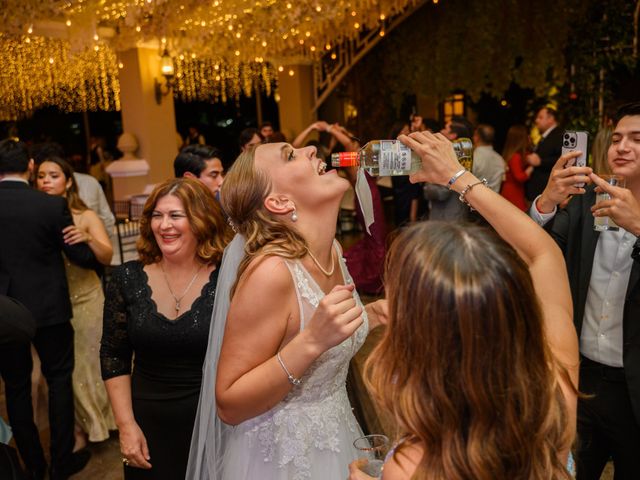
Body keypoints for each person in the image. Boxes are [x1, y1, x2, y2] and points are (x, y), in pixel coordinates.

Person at [349, 131, 579, 479]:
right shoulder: (556, 389)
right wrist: (456, 175)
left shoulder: (414, 463)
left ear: (424, 330)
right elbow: (542, 251)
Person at [187, 142, 386, 479]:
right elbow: (229, 403)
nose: (310, 148)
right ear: (279, 202)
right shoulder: (271, 273)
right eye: (290, 155)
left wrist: (379, 312)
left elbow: (329, 328)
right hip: (284, 460)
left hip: (340, 437)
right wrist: (310, 343)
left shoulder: (334, 252)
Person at [529, 102, 640, 479]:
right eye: (618, 138)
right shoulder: (586, 202)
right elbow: (535, 254)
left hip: (634, 389)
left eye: (637, 139)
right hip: (581, 380)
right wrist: (546, 202)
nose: (622, 147)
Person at [100, 178, 228, 480]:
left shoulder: (228, 278)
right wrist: (126, 426)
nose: (164, 225)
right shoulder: (127, 278)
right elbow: (113, 356)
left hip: (215, 421)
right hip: (147, 424)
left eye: (175, 215)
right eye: (157, 216)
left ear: (201, 220)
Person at [0, 139, 95, 479]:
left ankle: (32, 466)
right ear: (28, 166)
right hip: (49, 307)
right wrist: (90, 250)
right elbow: (78, 256)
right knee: (58, 381)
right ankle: (60, 463)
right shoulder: (49, 206)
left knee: (16, 387)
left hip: (5, 312)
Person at [36, 156, 116, 451]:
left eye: (54, 175)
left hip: (88, 300)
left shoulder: (85, 216)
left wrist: (86, 238)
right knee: (63, 373)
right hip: (54, 305)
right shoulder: (36, 219)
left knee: (89, 367)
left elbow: (107, 257)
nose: (46, 181)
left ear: (68, 181)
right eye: (41, 175)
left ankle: (107, 422)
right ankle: (81, 428)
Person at [423, 116, 474, 221]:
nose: (441, 131)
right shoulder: (465, 154)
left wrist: (426, 185)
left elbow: (442, 192)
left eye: (445, 128)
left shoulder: (452, 157)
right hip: (457, 211)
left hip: (447, 215)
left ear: (453, 135)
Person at [525, 106, 563, 201]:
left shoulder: (559, 135)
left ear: (551, 119)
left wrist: (541, 162)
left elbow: (562, 159)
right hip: (539, 191)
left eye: (540, 117)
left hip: (546, 193)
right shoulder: (547, 136)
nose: (536, 120)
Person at [500, 125, 535, 210]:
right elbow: (519, 177)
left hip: (512, 190)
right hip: (513, 192)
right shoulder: (515, 156)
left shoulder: (514, 154)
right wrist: (530, 169)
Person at [472, 124, 505, 193]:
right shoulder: (500, 159)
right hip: (493, 200)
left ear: (477, 137)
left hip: (473, 200)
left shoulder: (473, 157)